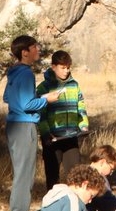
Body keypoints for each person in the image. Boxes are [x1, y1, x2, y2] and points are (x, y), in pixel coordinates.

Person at [3, 34, 59, 211]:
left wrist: (35, 98)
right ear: (24, 52)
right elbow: (27, 104)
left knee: (20, 172)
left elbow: (7, 97)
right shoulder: (26, 73)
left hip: (13, 126)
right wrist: (46, 99)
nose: (38, 50)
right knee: (25, 174)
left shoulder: (13, 72)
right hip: (24, 126)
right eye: (34, 47)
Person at [37, 49, 88, 189]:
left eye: (68, 67)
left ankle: (75, 207)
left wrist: (83, 124)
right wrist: (46, 133)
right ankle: (52, 207)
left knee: (76, 176)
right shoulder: (43, 88)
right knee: (52, 178)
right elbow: (40, 114)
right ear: (53, 67)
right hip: (52, 139)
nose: (66, 71)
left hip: (71, 137)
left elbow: (81, 105)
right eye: (62, 67)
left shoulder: (74, 85)